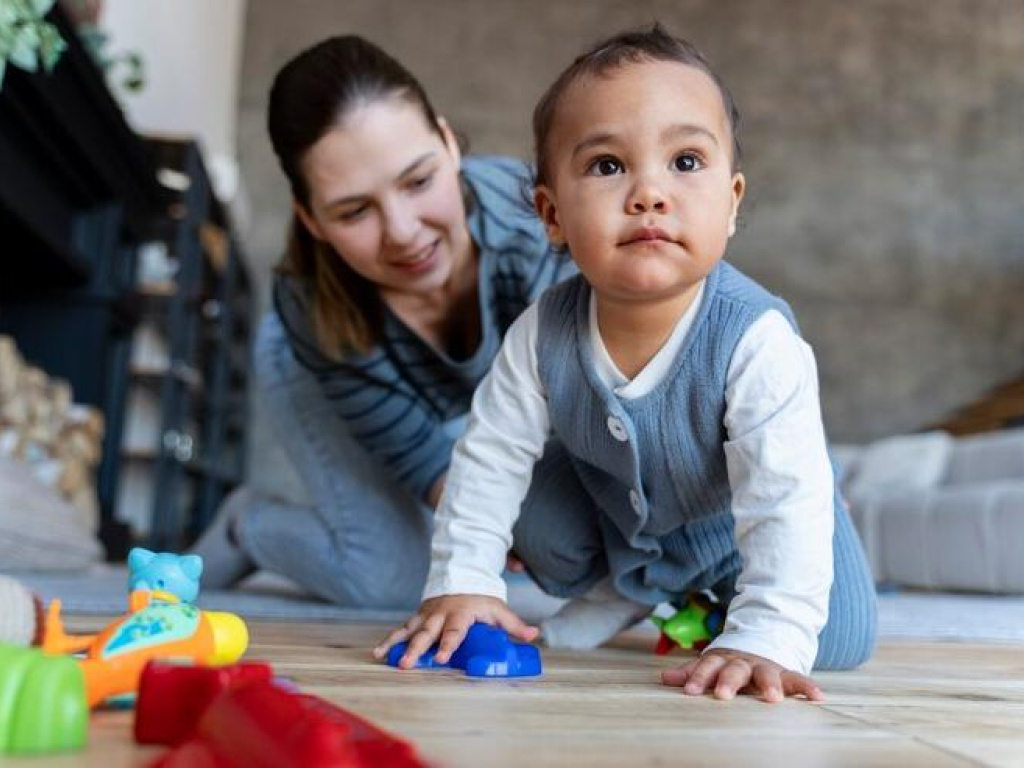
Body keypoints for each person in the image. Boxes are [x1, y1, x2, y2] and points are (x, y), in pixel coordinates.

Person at [374, 25, 877, 702]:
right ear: (551, 215)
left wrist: (766, 636)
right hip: (621, 521)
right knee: (527, 509)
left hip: (741, 514)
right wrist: (462, 584)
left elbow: (780, 499)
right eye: (608, 166)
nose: (648, 192)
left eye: (686, 162)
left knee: (834, 640)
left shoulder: (755, 337)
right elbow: (489, 457)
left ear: (731, 203)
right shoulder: (542, 331)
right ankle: (642, 584)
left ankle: (723, 584)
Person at [191, 35, 573, 608]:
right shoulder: (311, 306)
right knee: (389, 582)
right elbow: (425, 461)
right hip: (309, 357)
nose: (402, 231)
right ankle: (248, 524)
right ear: (311, 220)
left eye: (418, 181)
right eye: (354, 211)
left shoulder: (536, 227)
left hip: (445, 378)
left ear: (447, 143)